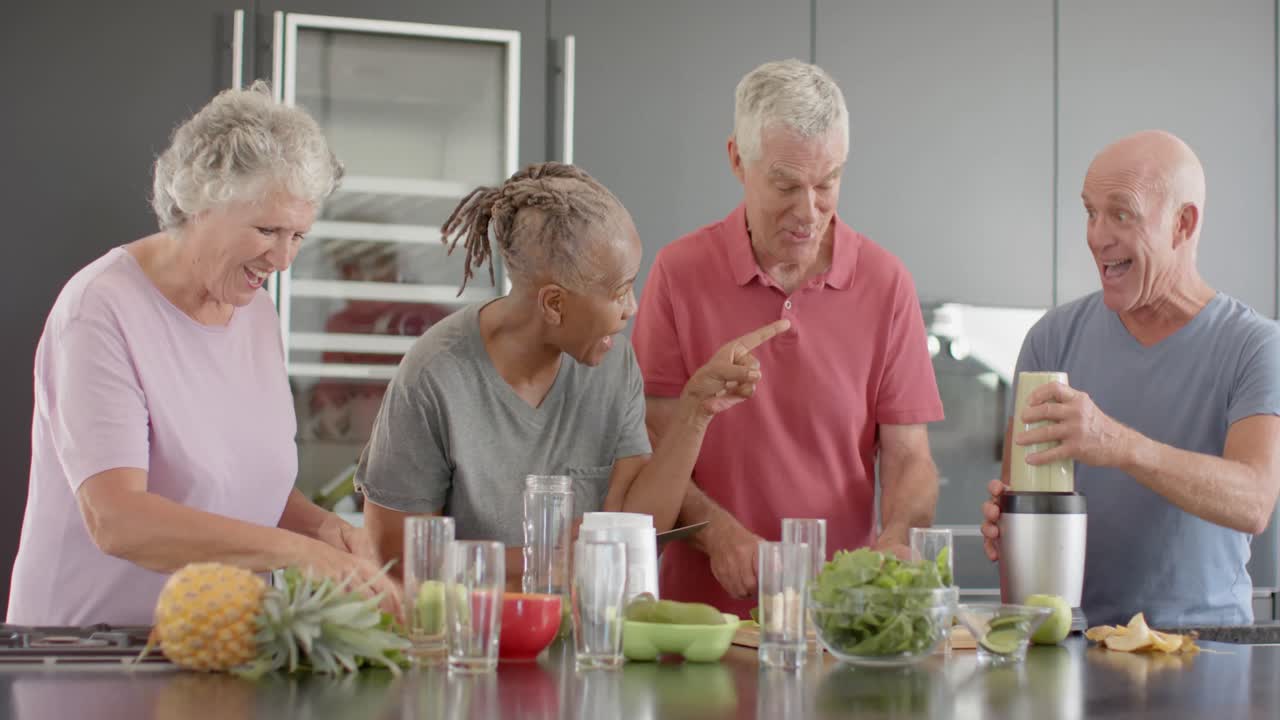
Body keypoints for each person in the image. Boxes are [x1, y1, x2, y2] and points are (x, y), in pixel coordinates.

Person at [8, 82, 398, 626]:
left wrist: (323, 530)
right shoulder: (100, 309)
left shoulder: (255, 312)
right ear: (200, 202)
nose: (283, 259)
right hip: (91, 652)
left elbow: (235, 484)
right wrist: (298, 554)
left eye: (299, 236)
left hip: (215, 647)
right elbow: (117, 519)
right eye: (267, 230)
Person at [356, 162, 788, 584]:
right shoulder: (434, 375)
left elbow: (636, 527)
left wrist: (696, 412)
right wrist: (541, 561)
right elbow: (393, 553)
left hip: (585, 643)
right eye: (619, 291)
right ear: (554, 304)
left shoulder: (612, 364)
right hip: (471, 646)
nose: (631, 308)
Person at [632, 59, 945, 617]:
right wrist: (716, 532)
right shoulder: (678, 273)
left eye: (827, 183)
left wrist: (898, 537)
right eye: (785, 184)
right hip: (700, 626)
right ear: (736, 160)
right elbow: (650, 446)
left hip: (839, 620)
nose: (809, 212)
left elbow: (909, 458)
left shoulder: (886, 282)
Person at [981, 130, 1280, 627]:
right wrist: (1008, 525)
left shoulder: (1255, 345)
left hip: (1207, 651)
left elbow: (1254, 500)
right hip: (1075, 643)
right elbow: (1024, 498)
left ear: (1182, 225)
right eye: (1090, 212)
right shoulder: (1051, 339)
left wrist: (1120, 445)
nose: (1097, 235)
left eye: (1121, 213)